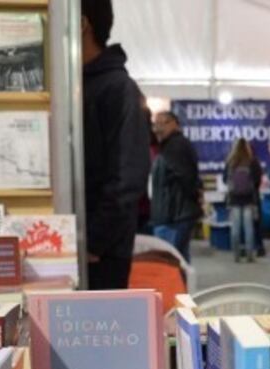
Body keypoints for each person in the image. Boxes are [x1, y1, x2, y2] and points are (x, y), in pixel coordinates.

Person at [81, 0, 151, 290]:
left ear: (83, 24)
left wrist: (95, 242)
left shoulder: (117, 88)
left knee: (97, 333)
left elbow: (127, 177)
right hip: (82, 248)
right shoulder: (78, 84)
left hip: (101, 255)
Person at [150, 111, 203, 263]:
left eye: (163, 123)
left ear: (175, 124)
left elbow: (186, 178)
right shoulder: (169, 145)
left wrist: (193, 198)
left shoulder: (175, 146)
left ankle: (180, 287)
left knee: (171, 263)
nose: (158, 128)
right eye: (156, 123)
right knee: (180, 261)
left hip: (174, 216)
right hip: (175, 214)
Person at [224, 138, 263, 263]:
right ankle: (250, 255)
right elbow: (258, 179)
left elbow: (225, 179)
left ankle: (236, 255)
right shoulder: (252, 161)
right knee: (249, 228)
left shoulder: (230, 162)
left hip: (234, 199)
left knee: (235, 228)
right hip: (249, 199)